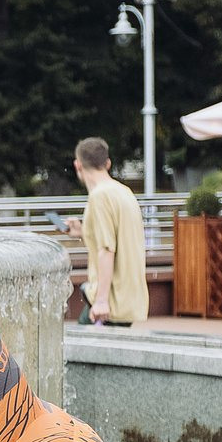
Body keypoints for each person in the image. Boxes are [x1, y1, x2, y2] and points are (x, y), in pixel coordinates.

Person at [72, 138, 147, 327]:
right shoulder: (124, 192)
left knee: (75, 351)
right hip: (129, 298)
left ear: (78, 165)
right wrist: (82, 230)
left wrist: (101, 301)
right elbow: (120, 236)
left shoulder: (99, 196)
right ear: (107, 163)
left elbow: (107, 248)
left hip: (108, 303)